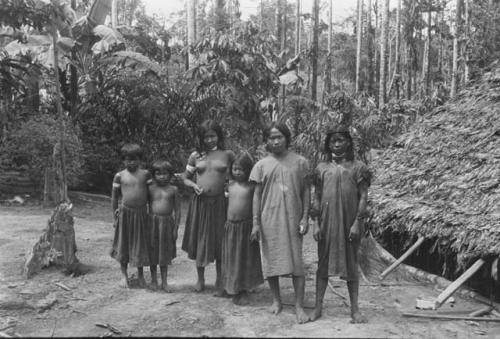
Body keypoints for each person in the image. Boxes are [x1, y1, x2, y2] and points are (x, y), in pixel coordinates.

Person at [249, 122, 311, 324]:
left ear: (287, 138)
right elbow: (256, 196)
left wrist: (305, 217)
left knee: (296, 264)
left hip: (293, 219)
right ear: (266, 142)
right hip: (270, 219)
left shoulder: (301, 162)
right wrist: (256, 223)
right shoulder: (260, 165)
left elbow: (305, 192)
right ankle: (276, 301)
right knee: (272, 261)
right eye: (271, 138)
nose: (275, 141)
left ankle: (299, 305)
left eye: (279, 137)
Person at [310, 125, 371, 324]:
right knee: (323, 265)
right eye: (332, 141)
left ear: (348, 142)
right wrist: (316, 223)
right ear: (328, 145)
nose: (336, 144)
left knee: (351, 265)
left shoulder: (358, 167)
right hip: (327, 224)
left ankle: (355, 309)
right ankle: (318, 307)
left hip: (349, 223)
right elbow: (317, 197)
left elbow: (363, 197)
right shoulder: (321, 168)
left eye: (340, 140)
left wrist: (356, 223)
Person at [181, 120, 235, 293]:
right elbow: (185, 177)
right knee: (201, 239)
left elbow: (237, 175)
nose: (210, 140)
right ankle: (200, 279)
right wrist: (193, 186)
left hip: (221, 203)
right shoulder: (196, 155)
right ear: (201, 138)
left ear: (219, 136)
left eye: (213, 136)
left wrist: (229, 189)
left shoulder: (228, 155)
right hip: (201, 204)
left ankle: (220, 279)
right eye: (206, 137)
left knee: (220, 240)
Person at [221, 152, 264, 305]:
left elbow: (255, 206)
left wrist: (255, 225)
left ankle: (244, 289)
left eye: (241, 169)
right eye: (234, 169)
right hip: (231, 227)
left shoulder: (251, 186)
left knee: (245, 258)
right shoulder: (230, 185)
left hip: (246, 228)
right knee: (232, 258)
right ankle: (231, 287)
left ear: (248, 170)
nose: (237, 172)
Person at [110, 143, 151, 288]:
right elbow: (114, 198)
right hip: (125, 215)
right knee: (124, 244)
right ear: (123, 160)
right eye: (127, 159)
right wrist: (115, 217)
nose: (131, 162)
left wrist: (150, 214)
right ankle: (124, 275)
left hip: (141, 215)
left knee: (139, 244)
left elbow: (151, 196)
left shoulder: (145, 174)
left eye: (134, 159)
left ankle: (140, 276)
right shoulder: (119, 176)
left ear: (140, 159)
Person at [148, 159, 181, 292]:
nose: (162, 176)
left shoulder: (173, 189)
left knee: (164, 253)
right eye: (158, 173)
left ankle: (165, 282)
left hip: (167, 224)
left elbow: (178, 210)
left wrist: (176, 228)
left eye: (165, 173)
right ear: (154, 175)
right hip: (152, 223)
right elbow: (142, 204)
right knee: (153, 252)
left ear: (170, 174)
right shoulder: (150, 189)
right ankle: (154, 280)